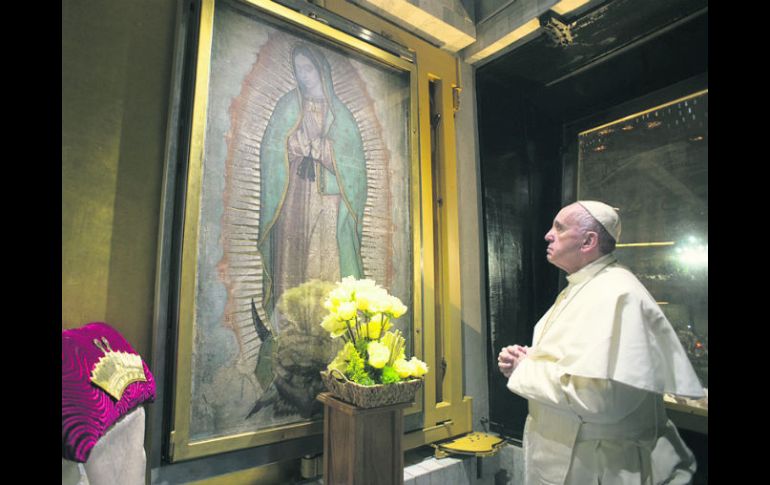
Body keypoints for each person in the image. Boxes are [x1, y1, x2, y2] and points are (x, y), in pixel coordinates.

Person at [497, 200, 705, 485]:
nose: (548, 234)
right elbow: (575, 357)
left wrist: (524, 370)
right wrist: (529, 357)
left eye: (559, 227)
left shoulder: (618, 293)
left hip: (601, 467)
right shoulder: (584, 286)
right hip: (569, 455)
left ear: (588, 241)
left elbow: (602, 398)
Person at [258, 44, 367, 324]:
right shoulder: (288, 106)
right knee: (292, 261)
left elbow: (354, 168)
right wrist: (293, 144)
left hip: (327, 204)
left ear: (321, 70)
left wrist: (323, 149)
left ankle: (326, 332)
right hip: (293, 199)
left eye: (308, 68)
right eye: (298, 69)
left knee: (324, 264)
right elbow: (272, 147)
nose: (303, 75)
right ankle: (291, 329)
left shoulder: (341, 115)